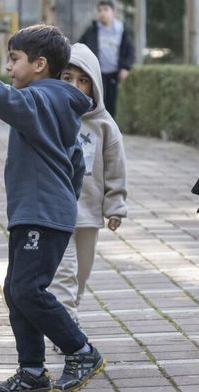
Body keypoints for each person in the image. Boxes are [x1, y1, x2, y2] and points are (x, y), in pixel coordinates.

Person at [0, 25, 105, 392]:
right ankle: (32, 371)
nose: (9, 68)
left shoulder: (42, 99)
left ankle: (82, 350)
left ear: (40, 64)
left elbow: (3, 98)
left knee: (27, 290)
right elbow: (74, 164)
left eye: (14, 59)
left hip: (41, 213)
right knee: (16, 289)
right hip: (39, 212)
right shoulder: (53, 100)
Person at [49, 43, 128, 333]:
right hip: (56, 211)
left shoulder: (104, 125)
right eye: (67, 78)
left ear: (94, 86)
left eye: (83, 81)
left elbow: (115, 167)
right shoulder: (50, 115)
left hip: (89, 212)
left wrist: (115, 205)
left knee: (82, 271)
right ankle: (66, 323)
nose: (75, 86)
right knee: (64, 271)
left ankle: (72, 309)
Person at [78, 0, 134, 118]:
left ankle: (110, 129)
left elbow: (129, 50)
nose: (102, 13)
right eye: (99, 10)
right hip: (97, 73)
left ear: (113, 12)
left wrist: (126, 67)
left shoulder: (122, 30)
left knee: (111, 104)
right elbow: (80, 47)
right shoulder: (92, 30)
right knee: (97, 102)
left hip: (114, 73)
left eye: (106, 10)